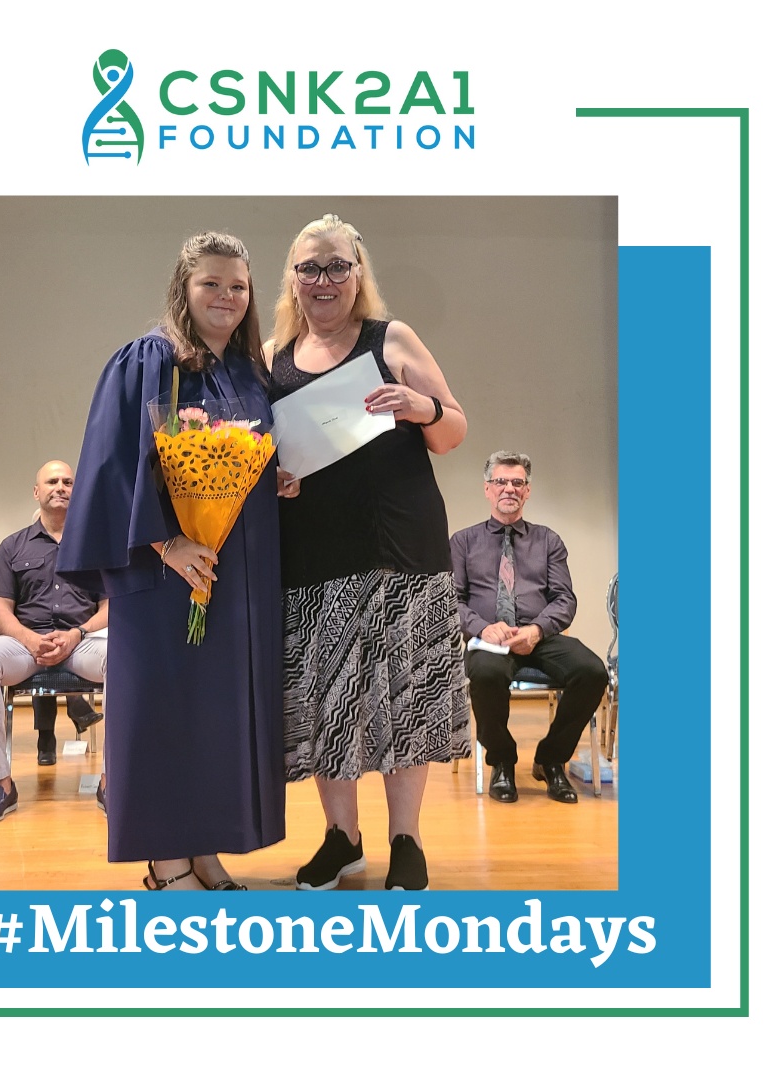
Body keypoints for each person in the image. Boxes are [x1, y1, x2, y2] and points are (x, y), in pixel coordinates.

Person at [57, 231, 285, 891]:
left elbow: (242, 458)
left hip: (233, 573)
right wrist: (168, 543)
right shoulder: (148, 361)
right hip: (163, 575)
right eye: (211, 283)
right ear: (184, 289)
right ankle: (164, 861)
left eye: (238, 286)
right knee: (164, 713)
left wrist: (276, 479)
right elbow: (111, 465)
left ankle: (204, 849)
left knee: (216, 716)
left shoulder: (247, 372)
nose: (227, 297)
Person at [266, 213, 470, 891]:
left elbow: (454, 432)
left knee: (406, 696)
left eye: (336, 267)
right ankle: (341, 839)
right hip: (312, 554)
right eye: (310, 268)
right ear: (292, 280)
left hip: (400, 548)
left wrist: (422, 407)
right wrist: (275, 479)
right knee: (329, 702)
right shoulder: (271, 359)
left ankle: (406, 841)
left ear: (358, 274)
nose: (324, 280)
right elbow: (261, 458)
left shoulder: (393, 339)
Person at [450, 451, 609, 804]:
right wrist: (481, 629)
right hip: (490, 639)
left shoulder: (548, 540)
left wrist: (536, 630)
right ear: (487, 490)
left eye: (517, 482)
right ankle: (502, 761)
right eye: (501, 482)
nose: (510, 489)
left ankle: (551, 759)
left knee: (592, 671)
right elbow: (451, 602)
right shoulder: (463, 542)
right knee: (487, 675)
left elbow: (564, 599)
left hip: (540, 636)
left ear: (528, 490)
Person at [0, 460, 109, 824]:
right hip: (25, 647)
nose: (61, 487)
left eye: (69, 481)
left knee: (126, 658)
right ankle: (0, 784)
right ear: (37, 491)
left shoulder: (98, 545)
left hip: (83, 640)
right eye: (52, 481)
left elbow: (112, 607)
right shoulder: (12, 546)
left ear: (78, 491)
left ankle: (112, 781)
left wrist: (76, 634)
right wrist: (29, 640)